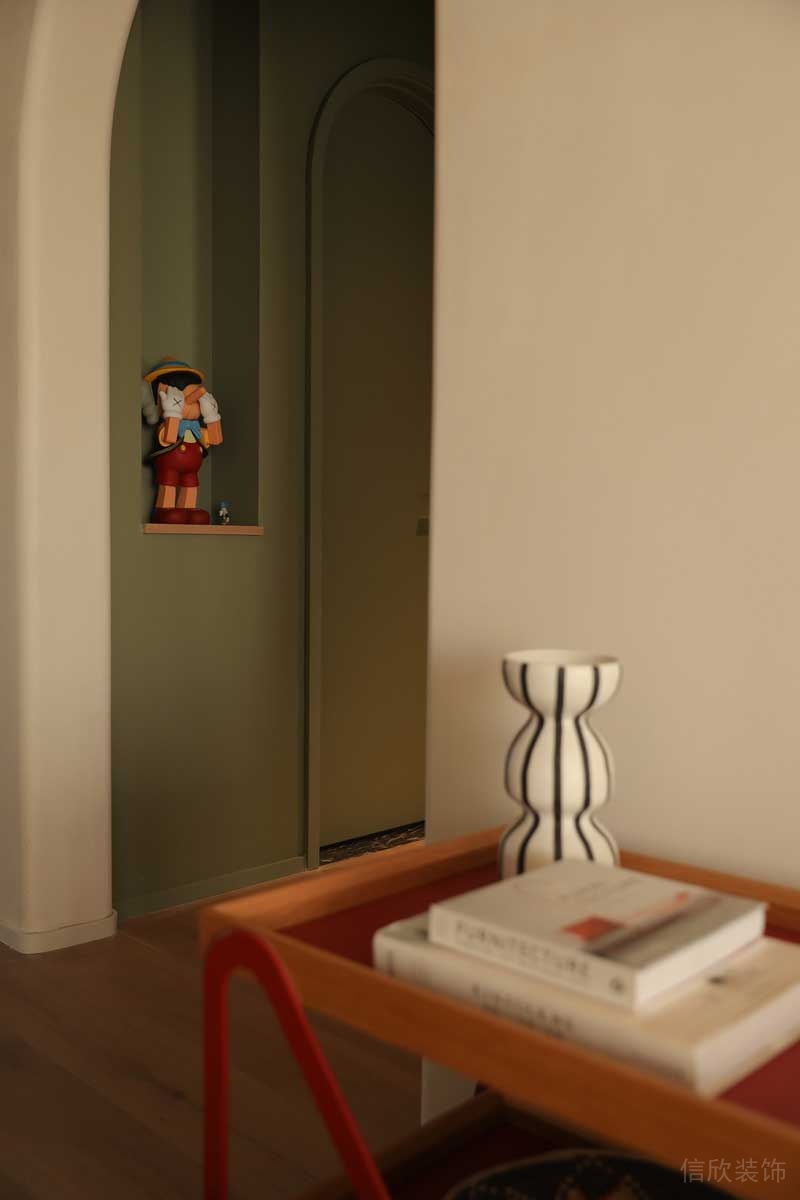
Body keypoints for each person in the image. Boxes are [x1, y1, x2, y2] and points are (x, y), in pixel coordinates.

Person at [141, 357, 223, 524]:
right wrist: (173, 413)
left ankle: (189, 510)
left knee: (191, 486)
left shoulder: (197, 428)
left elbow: (215, 440)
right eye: (183, 395)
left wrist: (212, 416)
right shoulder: (166, 425)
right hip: (169, 467)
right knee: (168, 483)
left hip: (192, 468)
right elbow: (170, 438)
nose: (193, 401)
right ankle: (164, 509)